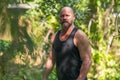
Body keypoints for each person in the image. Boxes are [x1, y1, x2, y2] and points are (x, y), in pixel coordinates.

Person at [42, 6, 92, 80]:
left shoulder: (79, 35)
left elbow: (87, 60)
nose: (64, 18)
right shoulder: (55, 36)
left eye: (67, 15)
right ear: (59, 18)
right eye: (62, 16)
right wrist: (44, 77)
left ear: (73, 17)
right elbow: (51, 59)